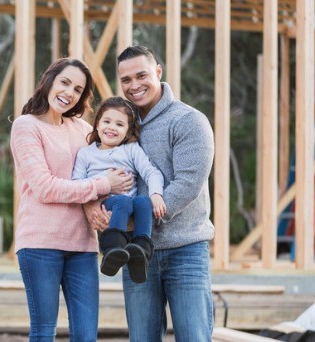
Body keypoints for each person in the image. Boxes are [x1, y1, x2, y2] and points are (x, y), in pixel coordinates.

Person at [10, 57, 133, 341]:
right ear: (49, 80)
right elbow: (44, 187)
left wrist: (92, 200)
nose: (69, 93)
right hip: (40, 243)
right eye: (65, 82)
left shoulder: (81, 128)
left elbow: (86, 175)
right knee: (44, 331)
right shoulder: (26, 126)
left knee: (86, 334)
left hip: (82, 243)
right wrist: (103, 184)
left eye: (77, 89)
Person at [117, 45, 215, 341]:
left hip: (185, 250)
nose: (134, 86)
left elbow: (187, 185)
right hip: (137, 254)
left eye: (141, 75)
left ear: (158, 72)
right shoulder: (120, 125)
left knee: (193, 337)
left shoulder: (188, 120)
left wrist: (140, 222)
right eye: (126, 80)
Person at [72, 96, 165, 282]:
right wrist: (102, 183)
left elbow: (151, 172)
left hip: (130, 204)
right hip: (107, 204)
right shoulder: (86, 153)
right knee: (122, 201)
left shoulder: (131, 149)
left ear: (128, 130)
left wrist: (156, 194)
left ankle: (141, 249)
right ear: (97, 124)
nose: (112, 127)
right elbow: (77, 183)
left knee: (143, 201)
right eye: (107, 121)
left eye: (120, 124)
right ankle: (112, 249)